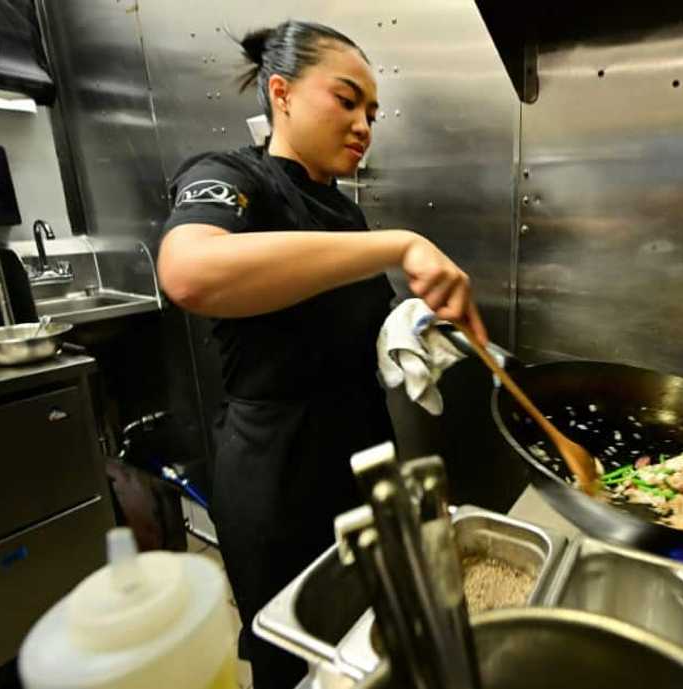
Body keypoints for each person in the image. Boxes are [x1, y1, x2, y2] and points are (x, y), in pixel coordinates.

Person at [155, 20, 488, 689]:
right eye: (346, 100)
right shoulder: (230, 177)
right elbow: (189, 272)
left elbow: (337, 318)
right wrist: (401, 244)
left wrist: (410, 331)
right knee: (295, 659)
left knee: (370, 648)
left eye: (372, 111)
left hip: (362, 455)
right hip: (278, 474)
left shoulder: (343, 211)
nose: (365, 123)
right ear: (280, 92)